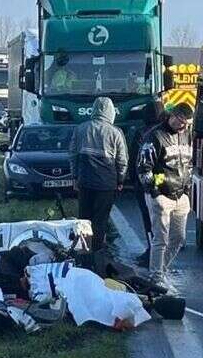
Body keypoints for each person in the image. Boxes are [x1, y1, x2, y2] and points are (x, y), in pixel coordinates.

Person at [69, 96, 129, 275]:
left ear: (93, 110)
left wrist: (75, 177)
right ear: (110, 112)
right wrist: (120, 180)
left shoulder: (81, 129)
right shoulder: (115, 132)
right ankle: (98, 259)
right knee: (100, 221)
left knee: (84, 219)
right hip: (106, 184)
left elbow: (72, 155)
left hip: (85, 182)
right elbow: (122, 160)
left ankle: (83, 257)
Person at [137, 100, 194, 286]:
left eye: (185, 122)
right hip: (161, 196)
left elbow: (188, 164)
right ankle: (156, 277)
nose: (181, 124)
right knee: (160, 239)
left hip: (181, 196)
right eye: (179, 119)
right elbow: (145, 167)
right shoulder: (156, 136)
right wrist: (155, 191)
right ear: (171, 115)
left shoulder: (186, 136)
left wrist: (186, 189)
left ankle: (161, 270)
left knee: (178, 238)